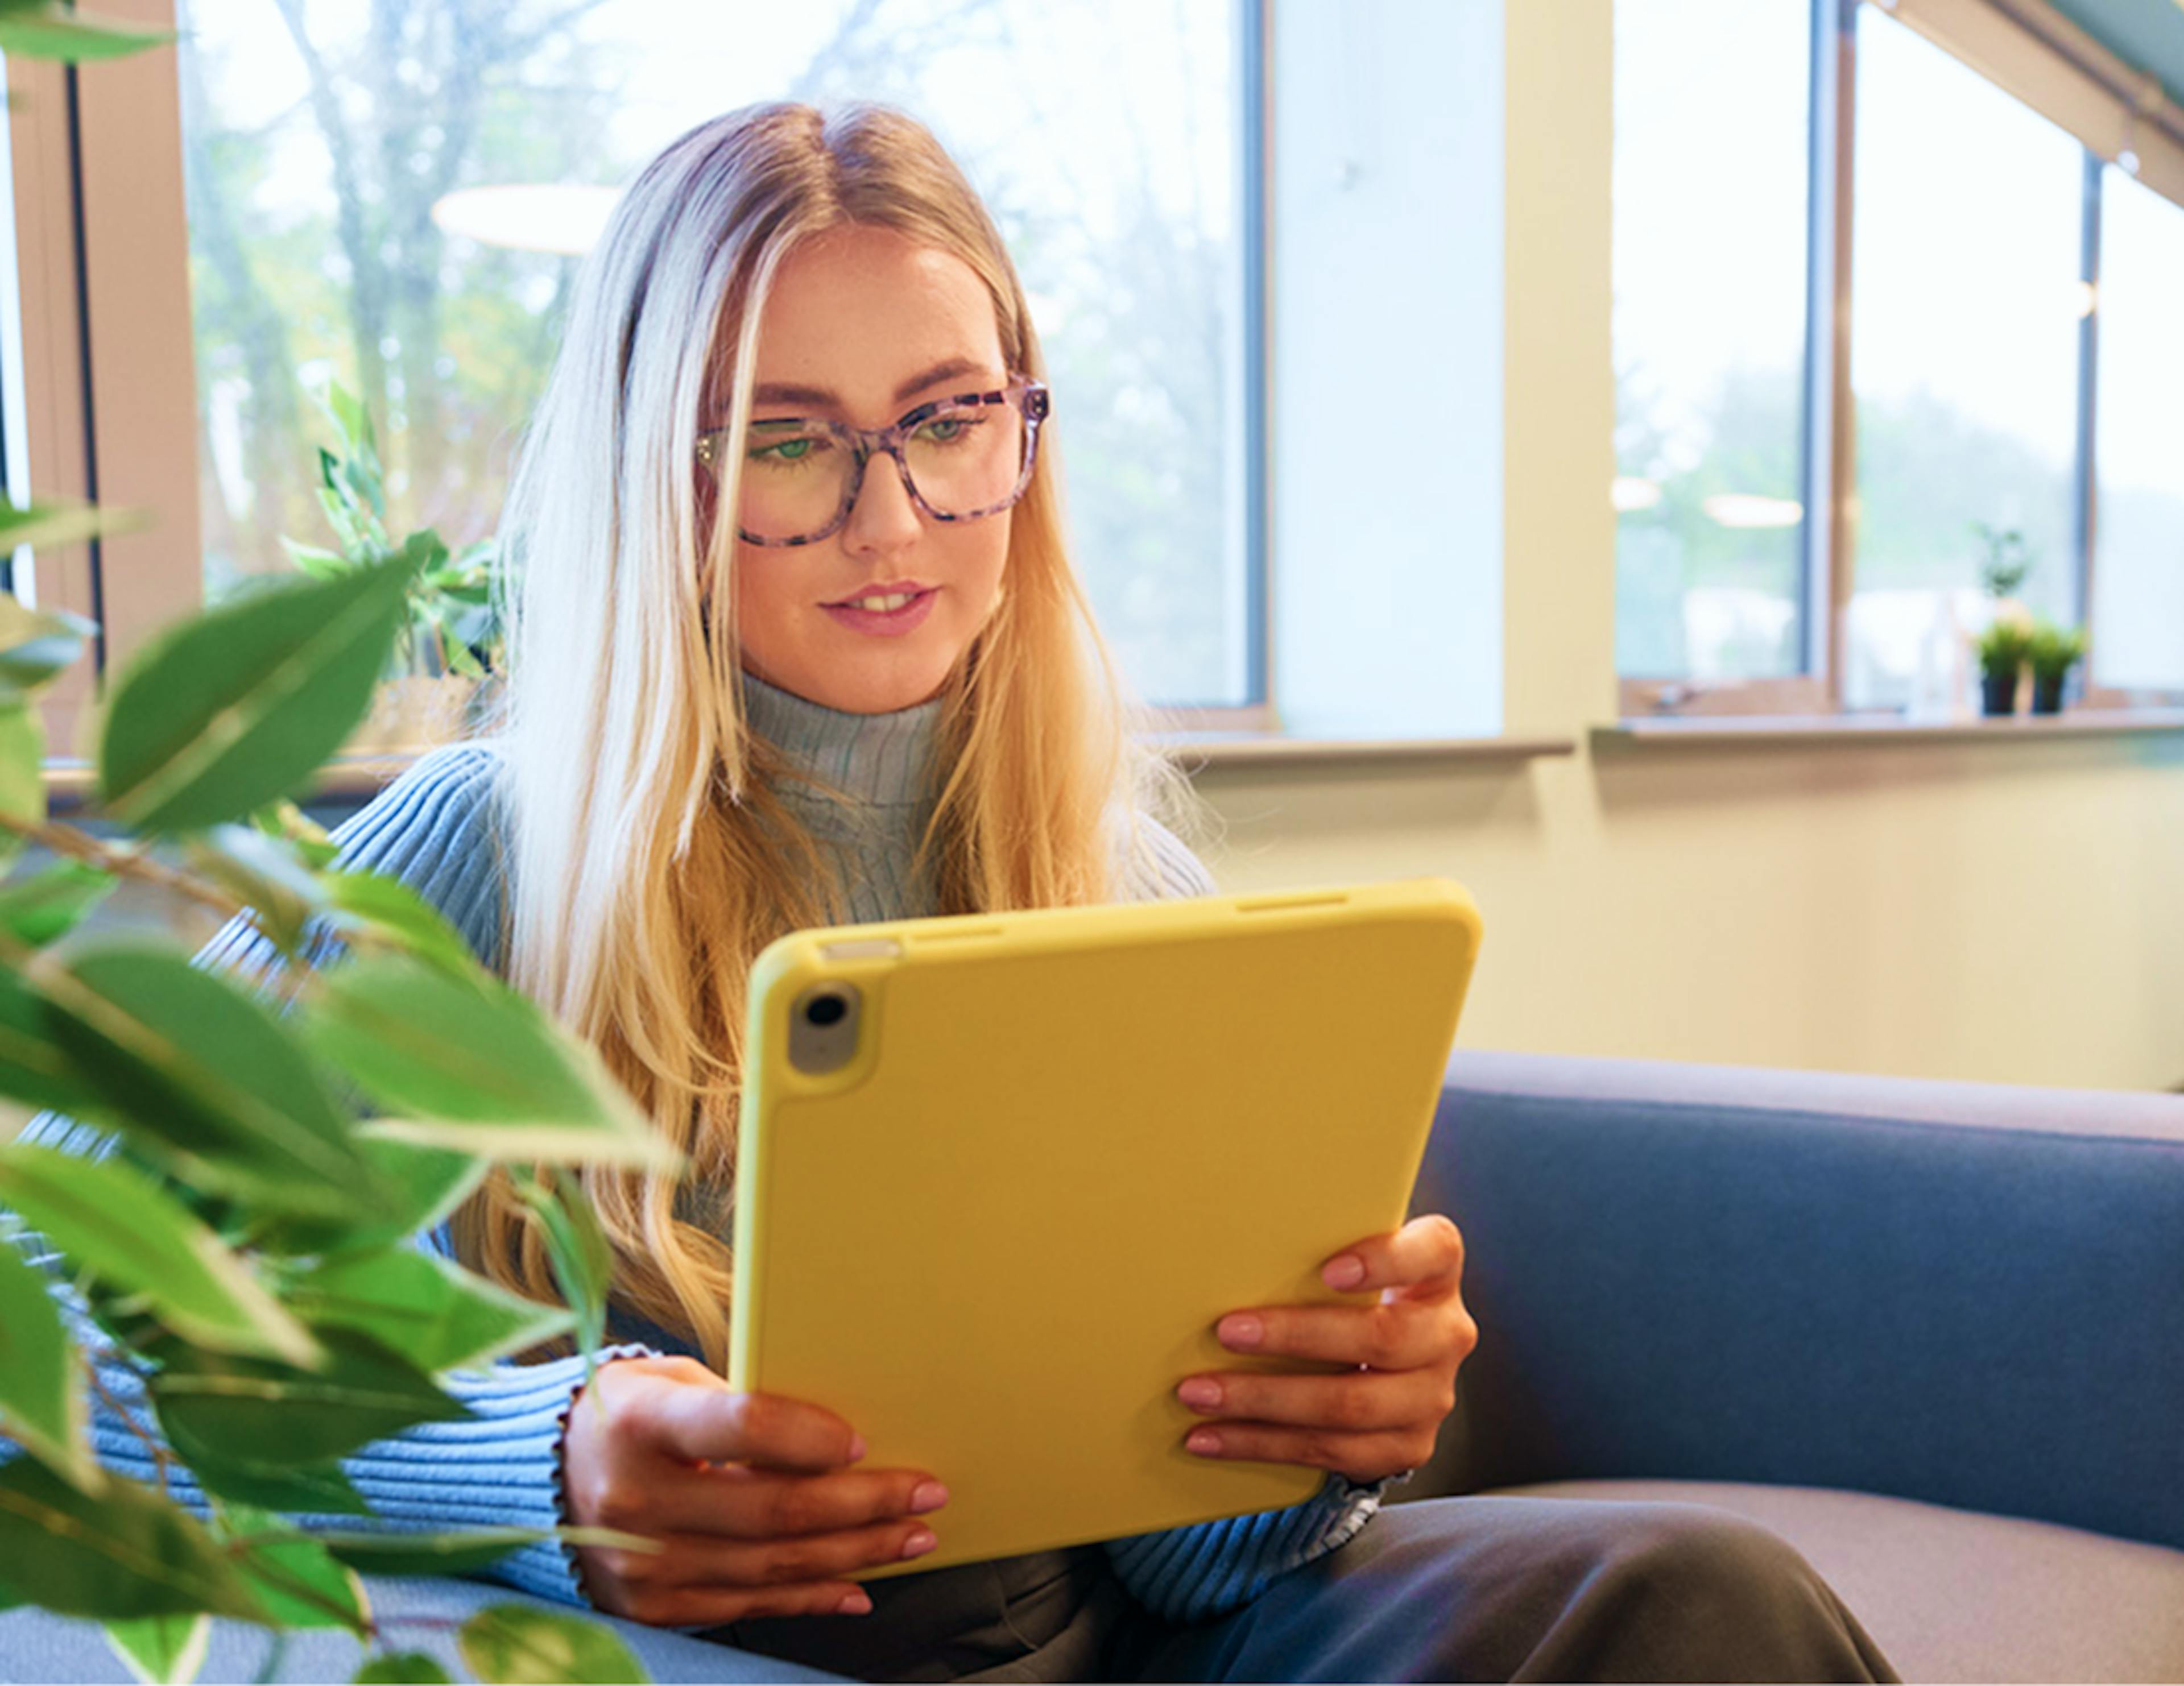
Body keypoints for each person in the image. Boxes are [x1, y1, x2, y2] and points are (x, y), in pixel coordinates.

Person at [43, 102, 1896, 1683]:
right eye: (783, 442)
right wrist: (539, 1465)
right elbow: (39, 1316)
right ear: (657, 482)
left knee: (1695, 1600)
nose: (891, 519)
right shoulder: (484, 847)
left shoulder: (1117, 878)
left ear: (1024, 437)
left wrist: (1314, 1433)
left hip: (1109, 1644)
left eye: (948, 421)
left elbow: (1201, 1572)